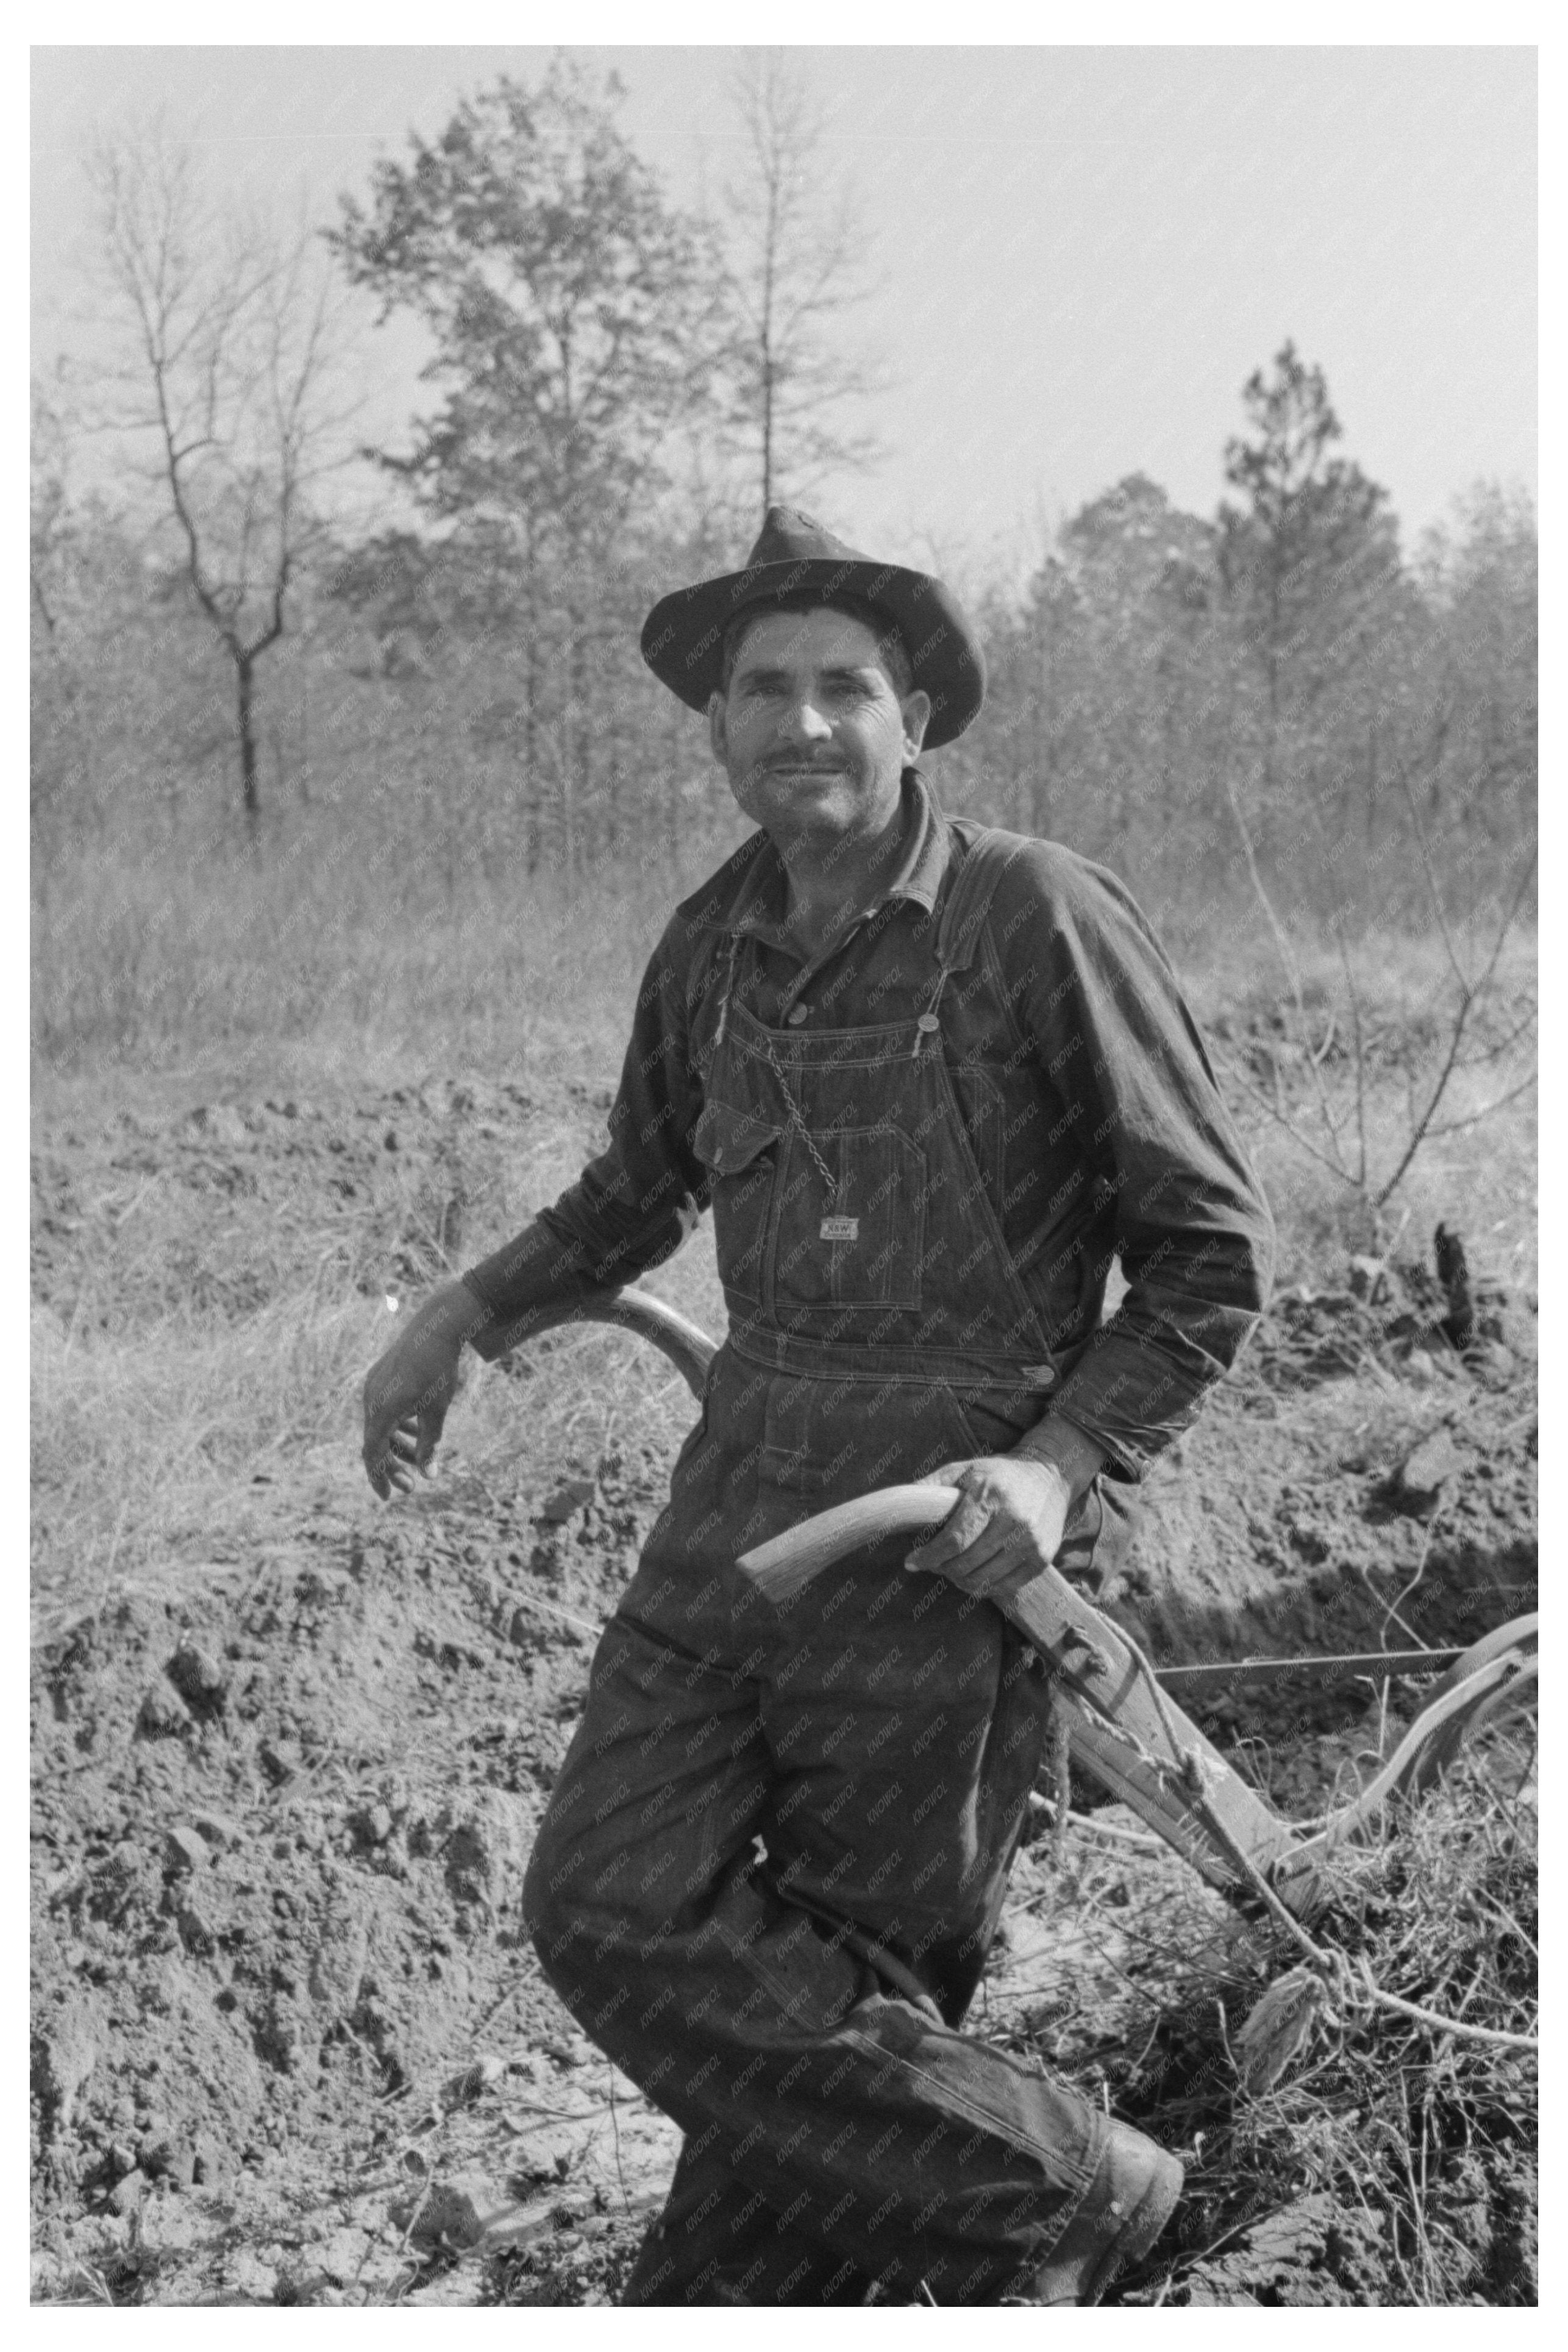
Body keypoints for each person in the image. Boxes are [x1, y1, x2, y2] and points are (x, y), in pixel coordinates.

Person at [360, 507, 1274, 2305]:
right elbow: (641, 1184)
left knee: (864, 1955)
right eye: (760, 689)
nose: (800, 724)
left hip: (949, 1527)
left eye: (840, 688)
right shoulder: (708, 943)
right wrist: (461, 1312)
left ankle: (770, 2278)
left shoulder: (1031, 911)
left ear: (914, 713)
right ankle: (1069, 2182)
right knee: (604, 1892)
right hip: (744, 1488)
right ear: (713, 722)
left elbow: (1207, 1252)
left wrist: (1055, 1459)